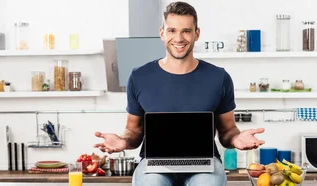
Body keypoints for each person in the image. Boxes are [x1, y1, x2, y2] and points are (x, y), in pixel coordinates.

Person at [93, 1, 265, 185]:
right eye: (172, 30)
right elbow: (134, 131)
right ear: (162, 33)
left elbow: (227, 131)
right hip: (154, 164)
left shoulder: (219, 77)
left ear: (196, 34)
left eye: (186, 31)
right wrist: (123, 141)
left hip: (205, 164)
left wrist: (237, 139)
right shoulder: (139, 76)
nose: (179, 38)